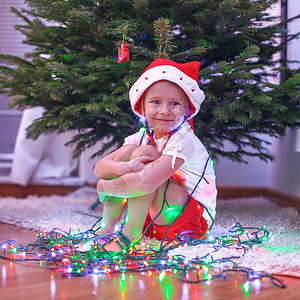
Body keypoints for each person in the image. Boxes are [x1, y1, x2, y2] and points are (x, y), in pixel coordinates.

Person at [93, 59, 217, 250]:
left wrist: (105, 187)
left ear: (186, 110)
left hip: (187, 224)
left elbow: (146, 182)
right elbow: (101, 167)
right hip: (153, 221)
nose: (164, 111)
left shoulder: (184, 139)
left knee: (148, 157)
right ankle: (108, 227)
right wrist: (124, 167)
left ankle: (130, 234)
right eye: (156, 102)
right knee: (128, 155)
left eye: (174, 104)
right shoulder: (142, 135)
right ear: (142, 107)